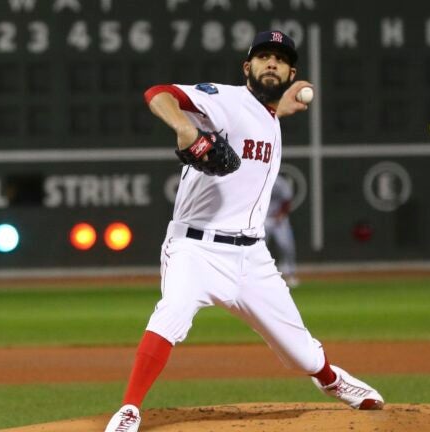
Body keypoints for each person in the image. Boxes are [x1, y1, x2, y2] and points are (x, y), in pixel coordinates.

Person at [104, 30, 384, 432]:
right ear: (246, 67)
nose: (272, 62)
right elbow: (157, 93)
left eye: (281, 59)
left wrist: (280, 108)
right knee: (170, 317)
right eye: (264, 56)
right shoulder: (224, 99)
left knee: (302, 353)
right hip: (195, 250)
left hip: (252, 257)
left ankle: (331, 380)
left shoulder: (269, 116)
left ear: (291, 72)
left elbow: (259, 118)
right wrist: (185, 129)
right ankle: (130, 408)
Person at [265, 174, 299, 287]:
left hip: (279, 220)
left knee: (286, 246)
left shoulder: (280, 182)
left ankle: (290, 274)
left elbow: (287, 200)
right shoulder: (257, 179)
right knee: (256, 247)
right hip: (262, 219)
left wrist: (280, 215)